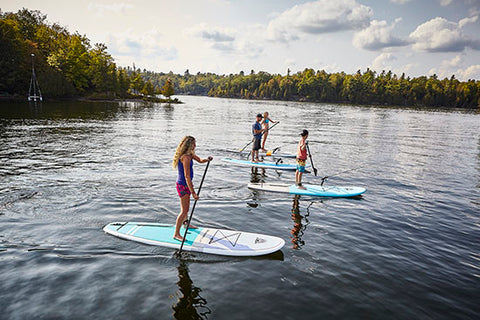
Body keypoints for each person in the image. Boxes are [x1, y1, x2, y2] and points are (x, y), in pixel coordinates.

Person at [172, 136, 212, 241]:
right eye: (194, 144)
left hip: (186, 185)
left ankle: (186, 224)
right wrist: (193, 192)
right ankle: (176, 234)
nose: (195, 145)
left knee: (186, 209)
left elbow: (200, 160)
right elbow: (187, 176)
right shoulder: (185, 157)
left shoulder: (190, 155)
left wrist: (207, 160)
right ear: (189, 145)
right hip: (182, 185)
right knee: (184, 210)